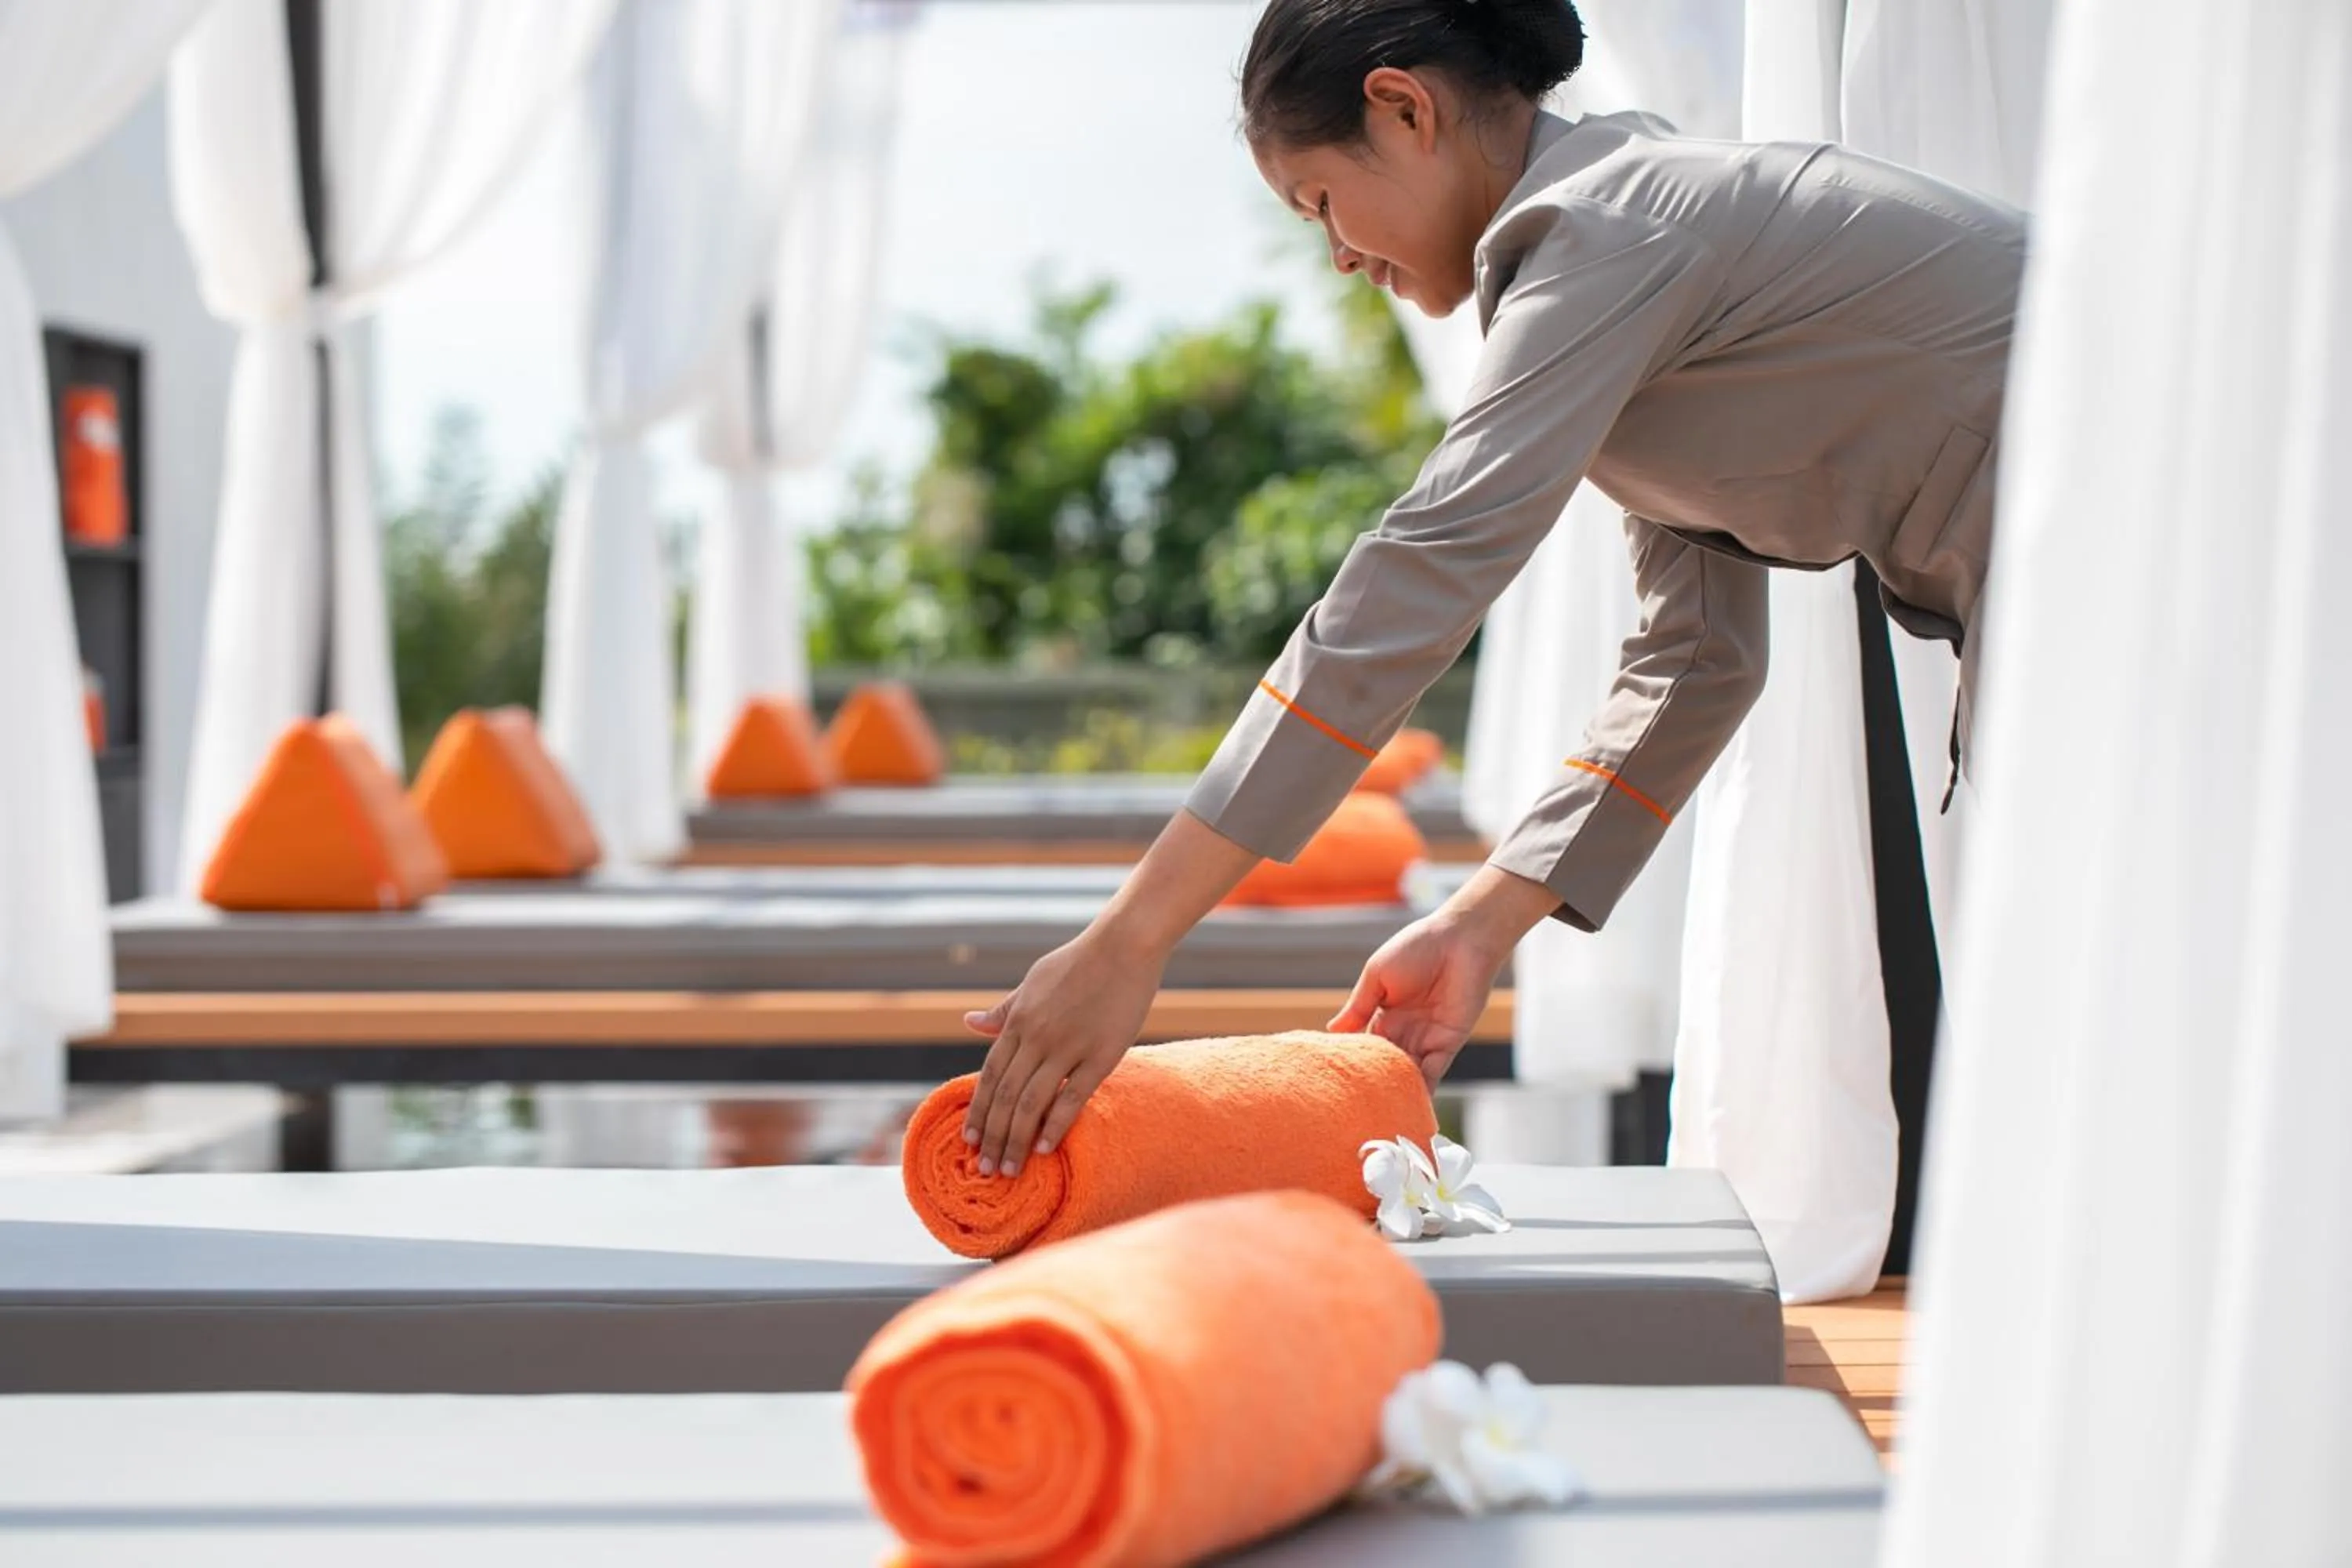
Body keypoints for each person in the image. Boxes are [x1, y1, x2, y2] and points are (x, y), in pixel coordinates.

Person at [960, 0, 2024, 1178]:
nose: (1339, 256)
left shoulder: (1611, 227)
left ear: (1403, 109)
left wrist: (1131, 940)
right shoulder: (1615, 247)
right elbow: (1697, 660)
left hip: (2116, 530)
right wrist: (1480, 923)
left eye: (1321, 202)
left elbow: (1422, 568)